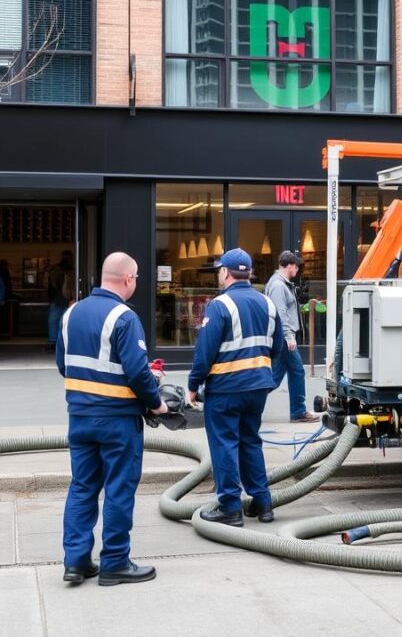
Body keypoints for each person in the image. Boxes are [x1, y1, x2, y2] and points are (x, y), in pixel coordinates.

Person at [57, 252, 168, 586]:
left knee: (82, 487)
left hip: (79, 416)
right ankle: (115, 563)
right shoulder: (124, 317)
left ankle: (76, 564)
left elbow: (64, 365)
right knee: (119, 489)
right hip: (118, 421)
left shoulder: (71, 313)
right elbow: (135, 371)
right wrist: (156, 402)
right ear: (128, 279)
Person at [188, 248, 285, 527]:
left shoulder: (220, 305)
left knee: (224, 444)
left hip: (226, 388)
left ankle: (230, 507)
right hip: (257, 387)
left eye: (220, 270)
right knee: (250, 440)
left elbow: (204, 352)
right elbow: (278, 347)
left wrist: (193, 385)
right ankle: (263, 503)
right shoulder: (268, 304)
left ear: (226, 273)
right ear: (249, 274)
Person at [266, 251, 318, 422]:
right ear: (289, 266)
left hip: (281, 337)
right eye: (296, 267)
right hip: (283, 338)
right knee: (295, 372)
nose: (297, 270)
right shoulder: (279, 286)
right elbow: (280, 314)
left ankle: (243, 402)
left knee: (275, 377)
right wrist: (289, 336)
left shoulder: (281, 284)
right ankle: (298, 412)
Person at [45, 250, 75, 353]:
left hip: (58, 299)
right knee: (65, 322)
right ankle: (62, 342)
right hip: (67, 299)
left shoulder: (56, 269)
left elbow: (51, 284)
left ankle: (54, 342)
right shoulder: (73, 270)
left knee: (53, 321)